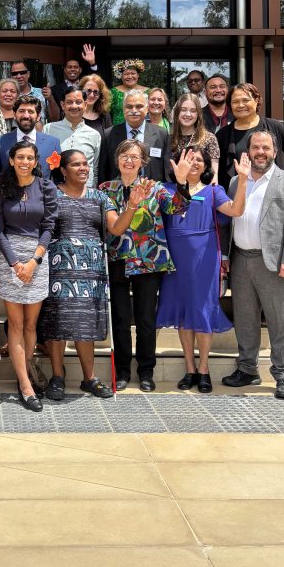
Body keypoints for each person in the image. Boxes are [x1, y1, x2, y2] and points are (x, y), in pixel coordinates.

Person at [37, 149, 137, 401]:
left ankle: (89, 378)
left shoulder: (99, 197)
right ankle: (57, 377)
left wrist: (133, 205)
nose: (83, 168)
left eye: (86, 164)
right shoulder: (51, 194)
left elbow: (116, 227)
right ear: (63, 170)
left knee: (84, 324)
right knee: (58, 323)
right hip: (59, 269)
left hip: (91, 272)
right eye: (76, 164)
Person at [99, 140, 193, 391]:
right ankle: (120, 370)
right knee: (119, 318)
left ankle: (146, 371)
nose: (129, 160)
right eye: (124, 156)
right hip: (117, 259)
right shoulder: (105, 189)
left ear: (143, 162)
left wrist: (182, 182)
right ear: (117, 160)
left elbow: (179, 206)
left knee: (145, 319)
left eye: (135, 157)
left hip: (149, 261)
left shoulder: (155, 188)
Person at [222, 130, 284, 400]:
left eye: (266, 148)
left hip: (274, 262)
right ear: (248, 152)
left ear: (275, 151)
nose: (261, 152)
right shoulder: (237, 181)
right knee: (245, 319)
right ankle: (248, 369)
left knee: (280, 320)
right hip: (241, 260)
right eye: (256, 148)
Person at [156, 145, 250, 392]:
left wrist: (242, 181)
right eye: (188, 158)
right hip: (175, 257)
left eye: (199, 159)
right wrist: (180, 182)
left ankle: (204, 368)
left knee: (202, 310)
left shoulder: (214, 190)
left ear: (207, 166)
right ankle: (189, 368)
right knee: (183, 311)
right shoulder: (165, 190)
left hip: (204, 257)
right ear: (176, 163)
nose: (194, 162)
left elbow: (236, 210)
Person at [0, 141, 58, 412]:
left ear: (36, 161)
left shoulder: (46, 187)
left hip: (37, 258)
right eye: (20, 157)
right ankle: (25, 385)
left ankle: (27, 369)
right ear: (11, 160)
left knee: (32, 325)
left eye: (30, 157)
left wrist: (34, 260)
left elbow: (49, 225)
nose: (25, 162)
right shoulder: (1, 188)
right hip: (11, 259)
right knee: (16, 325)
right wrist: (15, 263)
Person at [215, 82, 284, 190]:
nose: (241, 105)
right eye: (235, 102)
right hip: (235, 199)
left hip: (271, 194)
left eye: (245, 100)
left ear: (256, 100)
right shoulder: (222, 135)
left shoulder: (275, 127)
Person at [0, 96, 62, 193]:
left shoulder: (52, 143)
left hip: (42, 204)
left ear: (38, 116)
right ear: (14, 114)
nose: (26, 116)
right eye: (21, 111)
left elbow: (58, 180)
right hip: (8, 203)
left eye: (30, 112)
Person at [99, 88, 172, 183]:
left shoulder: (161, 134)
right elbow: (103, 170)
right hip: (118, 194)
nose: (134, 110)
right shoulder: (108, 134)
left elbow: (167, 171)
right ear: (123, 109)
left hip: (151, 193)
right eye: (129, 106)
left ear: (147, 109)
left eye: (139, 106)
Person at [44, 88, 101, 186]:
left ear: (85, 105)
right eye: (69, 102)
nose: (74, 106)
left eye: (78, 102)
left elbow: (94, 168)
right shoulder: (49, 129)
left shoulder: (94, 135)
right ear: (62, 105)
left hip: (86, 193)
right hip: (57, 192)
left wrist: (93, 192)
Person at [170, 93, 221, 181]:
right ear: (177, 112)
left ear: (198, 114)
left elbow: (214, 174)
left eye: (193, 111)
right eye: (183, 110)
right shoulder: (169, 139)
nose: (188, 114)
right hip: (173, 190)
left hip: (201, 190)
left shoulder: (209, 138)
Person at [109, 58, 147, 126]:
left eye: (133, 73)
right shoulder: (113, 92)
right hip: (117, 132)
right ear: (121, 76)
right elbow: (106, 114)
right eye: (126, 74)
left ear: (138, 75)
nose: (130, 76)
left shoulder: (147, 92)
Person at [79, 73, 113, 139]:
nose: (92, 95)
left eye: (96, 92)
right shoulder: (72, 113)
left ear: (100, 95)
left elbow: (110, 139)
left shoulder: (104, 116)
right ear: (80, 91)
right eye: (88, 91)